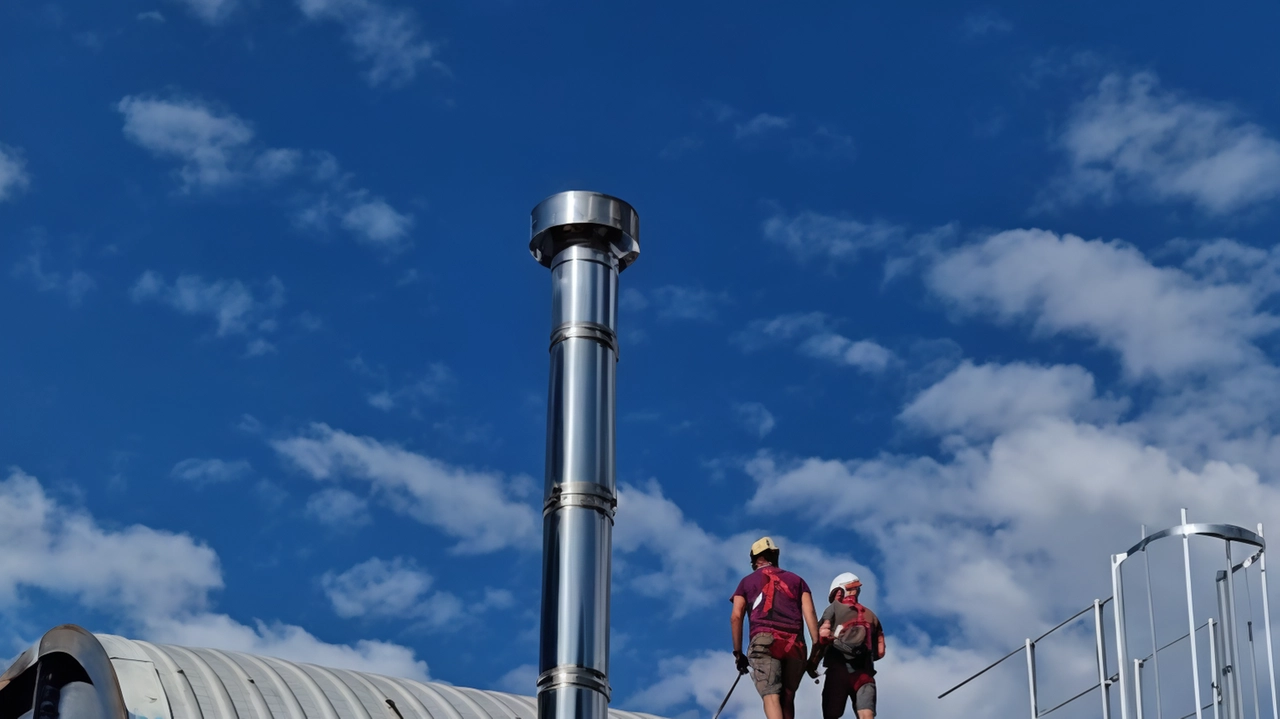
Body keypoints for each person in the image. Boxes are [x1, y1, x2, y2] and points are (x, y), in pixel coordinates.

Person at [729, 537, 820, 719]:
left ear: (754, 559)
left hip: (765, 641)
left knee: (771, 696)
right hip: (796, 644)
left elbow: (736, 616)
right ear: (775, 555)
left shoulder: (746, 583)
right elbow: (811, 617)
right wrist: (814, 654)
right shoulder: (798, 581)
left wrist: (738, 654)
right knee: (788, 697)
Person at [807, 572, 885, 719]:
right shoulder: (872, 616)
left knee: (831, 714)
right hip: (864, 673)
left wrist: (812, 664)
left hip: (838, 670)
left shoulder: (834, 608)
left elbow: (821, 638)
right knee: (866, 714)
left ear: (839, 590)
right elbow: (880, 652)